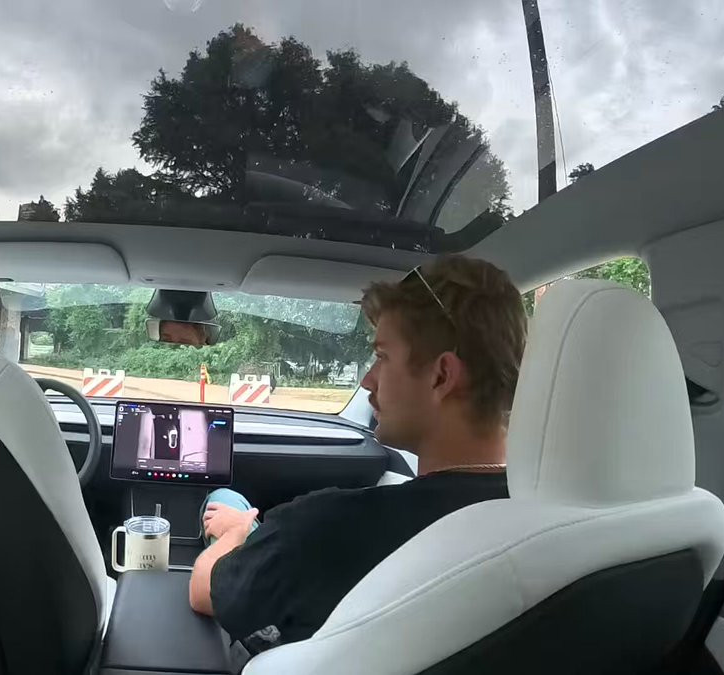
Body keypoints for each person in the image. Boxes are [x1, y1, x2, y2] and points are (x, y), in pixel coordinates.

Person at [187, 255, 528, 653]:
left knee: (227, 501)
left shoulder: (326, 530)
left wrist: (237, 534)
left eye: (382, 357)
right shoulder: (547, 523)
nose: (368, 379)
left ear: (442, 376)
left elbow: (202, 590)